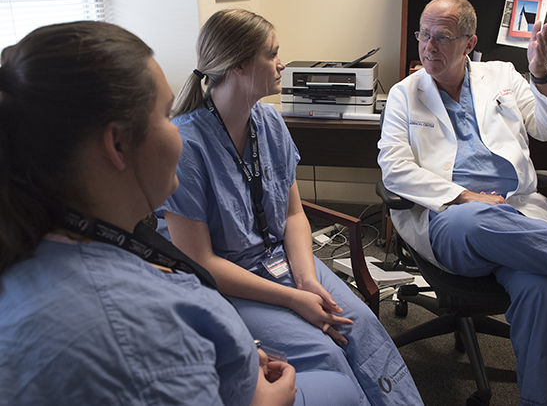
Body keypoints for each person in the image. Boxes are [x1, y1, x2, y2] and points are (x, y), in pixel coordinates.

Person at [0, 20, 363, 406]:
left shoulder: (49, 242)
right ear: (118, 145)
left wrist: (234, 352)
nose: (177, 129)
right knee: (337, 385)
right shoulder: (133, 322)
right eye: (164, 114)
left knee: (360, 334)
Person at [155, 9, 424, 406]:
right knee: (326, 352)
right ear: (239, 65)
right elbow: (202, 261)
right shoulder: (186, 146)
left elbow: (294, 215)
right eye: (272, 54)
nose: (282, 63)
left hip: (283, 261)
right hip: (229, 283)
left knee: (361, 326)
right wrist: (293, 298)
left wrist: (308, 281)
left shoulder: (270, 122)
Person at [378, 0, 547, 406]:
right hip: (451, 217)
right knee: (477, 219)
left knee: (544, 292)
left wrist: (540, 71)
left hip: (517, 211)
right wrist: (466, 196)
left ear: (469, 42)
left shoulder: (502, 75)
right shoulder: (403, 94)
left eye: (441, 37)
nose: (428, 46)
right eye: (422, 35)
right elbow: (394, 168)